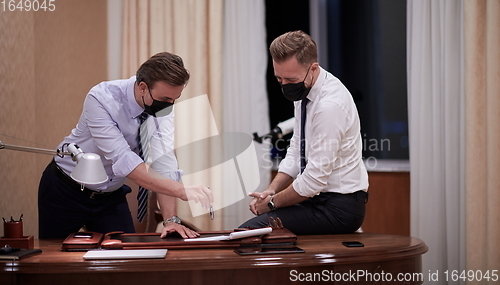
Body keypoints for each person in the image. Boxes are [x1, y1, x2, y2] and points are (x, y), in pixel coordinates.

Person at [38, 52, 212, 239]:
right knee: (55, 257)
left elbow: (164, 161)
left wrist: (171, 220)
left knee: (127, 255)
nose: (170, 105)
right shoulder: (102, 98)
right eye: (166, 99)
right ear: (143, 87)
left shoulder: (161, 103)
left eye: (174, 99)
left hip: (110, 196)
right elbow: (124, 159)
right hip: (66, 190)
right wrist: (180, 190)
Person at [240, 31, 369, 234]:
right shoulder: (305, 89)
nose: (285, 86)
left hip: (340, 207)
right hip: (317, 199)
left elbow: (313, 181)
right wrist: (271, 190)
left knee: (250, 231)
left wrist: (272, 204)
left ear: (313, 68)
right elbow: (296, 150)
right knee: (252, 231)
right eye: (279, 79)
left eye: (290, 79)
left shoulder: (329, 105)